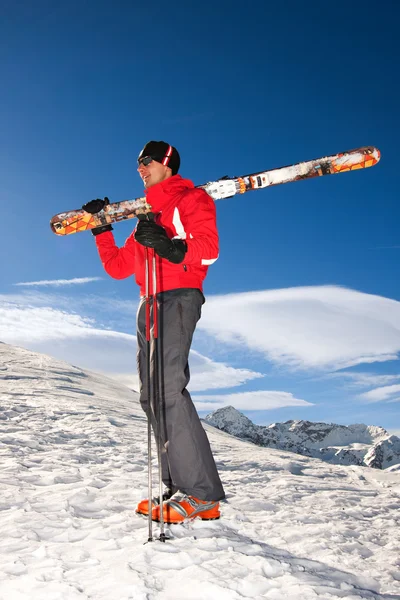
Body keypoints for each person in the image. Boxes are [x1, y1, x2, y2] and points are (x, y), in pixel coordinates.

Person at [83, 141, 225, 524]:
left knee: (167, 391)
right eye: (137, 164)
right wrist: (102, 228)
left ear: (166, 163)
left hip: (178, 297)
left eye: (146, 162)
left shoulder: (190, 199)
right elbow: (117, 267)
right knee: (152, 396)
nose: (140, 168)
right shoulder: (145, 217)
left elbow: (208, 249)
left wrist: (169, 245)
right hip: (148, 303)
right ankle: (182, 486)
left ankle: (201, 494)